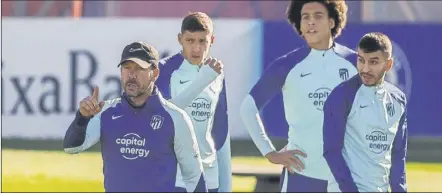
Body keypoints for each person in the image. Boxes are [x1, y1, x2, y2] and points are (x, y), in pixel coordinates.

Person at [240, 0, 357, 192]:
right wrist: (269, 152)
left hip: (347, 177)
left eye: (318, 16)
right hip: (301, 176)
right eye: (305, 17)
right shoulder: (286, 65)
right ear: (299, 25)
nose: (311, 22)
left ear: (332, 22)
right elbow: (247, 108)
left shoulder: (355, 63)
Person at [62, 41, 207, 192]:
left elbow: (194, 178)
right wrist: (82, 118)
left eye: (139, 68)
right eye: (127, 67)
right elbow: (71, 148)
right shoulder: (106, 112)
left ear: (155, 73)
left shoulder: (176, 118)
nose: (131, 74)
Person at [156, 12, 231, 193]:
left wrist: (226, 185)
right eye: (190, 41)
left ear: (211, 40)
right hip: (174, 176)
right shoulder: (163, 70)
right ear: (180, 39)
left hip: (209, 176)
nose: (196, 48)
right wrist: (202, 81)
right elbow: (163, 117)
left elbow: (221, 130)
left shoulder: (216, 72)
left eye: (202, 41)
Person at [323, 32, 408, 192]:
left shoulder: (398, 100)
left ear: (388, 65)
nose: (365, 69)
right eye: (361, 60)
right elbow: (331, 151)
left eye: (373, 62)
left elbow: (398, 155)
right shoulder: (341, 96)